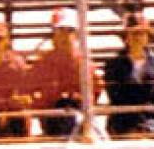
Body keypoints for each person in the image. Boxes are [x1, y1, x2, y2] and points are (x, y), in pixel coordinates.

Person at [27, 7, 103, 138]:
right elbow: (32, 96)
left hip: (80, 119)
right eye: (60, 31)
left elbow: (95, 93)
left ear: (76, 34)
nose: (65, 36)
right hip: (52, 120)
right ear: (53, 35)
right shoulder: (42, 64)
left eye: (69, 31)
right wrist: (53, 99)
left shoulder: (85, 63)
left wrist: (74, 98)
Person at [103, 11, 154, 138]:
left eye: (142, 33)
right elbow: (116, 98)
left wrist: (147, 125)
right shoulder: (114, 65)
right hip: (123, 122)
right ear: (126, 37)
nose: (138, 38)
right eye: (134, 33)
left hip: (152, 121)